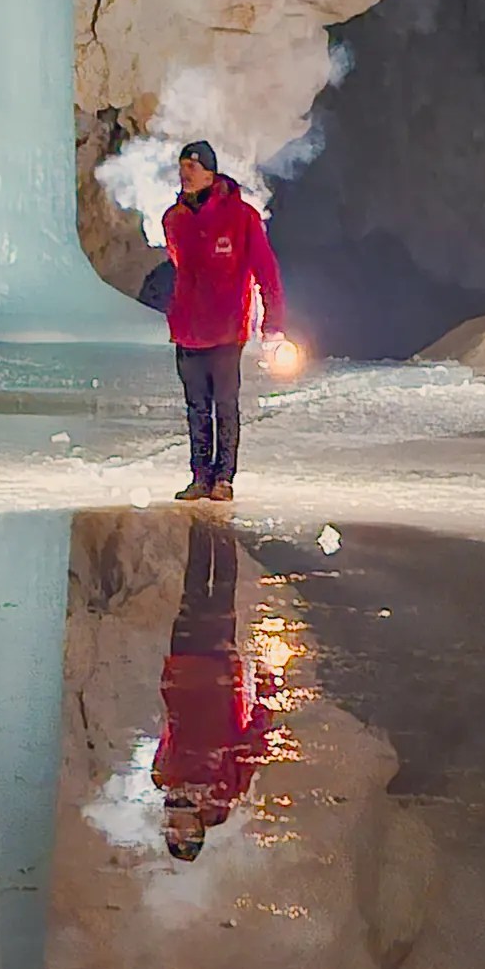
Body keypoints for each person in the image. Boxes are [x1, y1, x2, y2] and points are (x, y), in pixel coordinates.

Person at [160, 139, 293, 504]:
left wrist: (273, 326)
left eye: (192, 166)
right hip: (188, 329)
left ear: (210, 171)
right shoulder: (174, 219)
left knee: (224, 403)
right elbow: (180, 265)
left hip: (225, 329)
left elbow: (267, 274)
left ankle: (224, 478)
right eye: (182, 166)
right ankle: (200, 476)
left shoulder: (242, 218)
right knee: (196, 406)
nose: (185, 173)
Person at [152, 524, 275, 860]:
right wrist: (266, 686)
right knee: (221, 593)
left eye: (172, 833)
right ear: (198, 830)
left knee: (192, 592)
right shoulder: (227, 788)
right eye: (185, 834)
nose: (176, 826)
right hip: (216, 673)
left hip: (183, 670)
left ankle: (200, 524)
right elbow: (255, 738)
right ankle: (221, 527)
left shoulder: (163, 777)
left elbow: (170, 731)